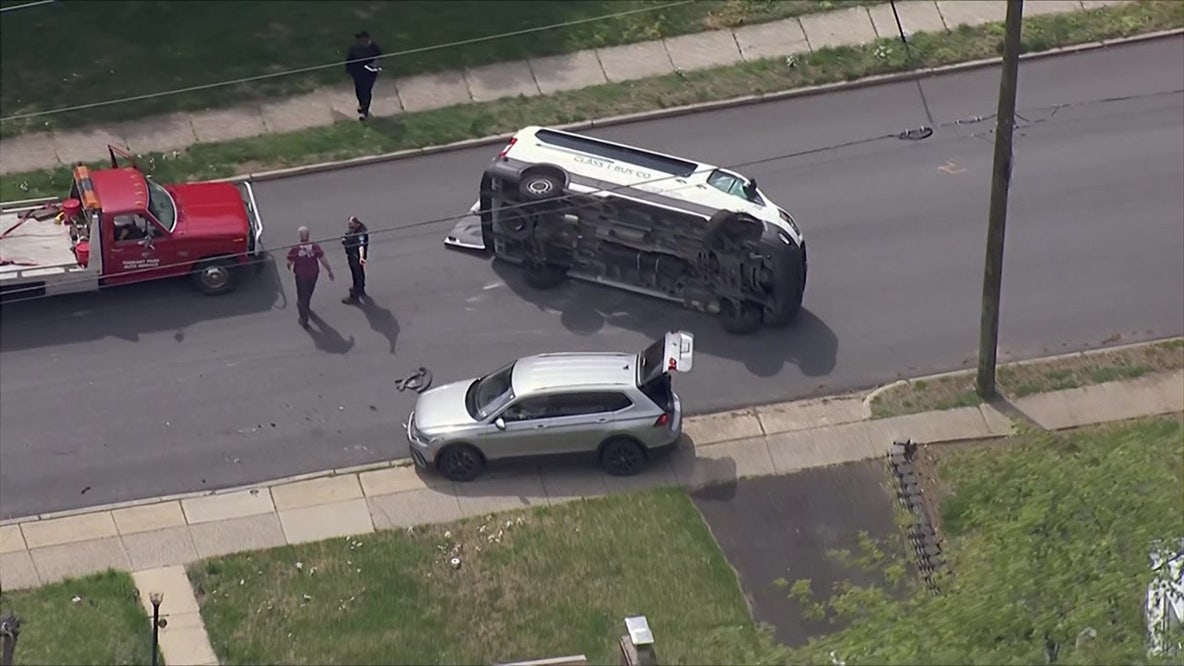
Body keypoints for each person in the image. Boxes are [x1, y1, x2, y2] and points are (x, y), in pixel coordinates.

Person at [287, 226, 334, 328]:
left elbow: (289, 261)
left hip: (301, 276)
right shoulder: (314, 247)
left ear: (300, 236)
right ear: (308, 235)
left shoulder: (296, 248)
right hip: (313, 275)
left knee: (301, 296)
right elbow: (322, 259)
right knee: (308, 293)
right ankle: (305, 307)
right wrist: (329, 270)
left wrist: (289, 266)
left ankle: (303, 317)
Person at [344, 31, 382, 121]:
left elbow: (378, 59)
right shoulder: (355, 48)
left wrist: (376, 67)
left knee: (366, 91)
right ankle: (361, 104)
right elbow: (349, 60)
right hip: (357, 73)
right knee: (359, 90)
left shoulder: (373, 48)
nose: (360, 41)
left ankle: (365, 111)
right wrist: (348, 71)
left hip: (369, 74)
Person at [341, 215, 370, 304]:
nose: (350, 228)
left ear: (357, 224)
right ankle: (360, 289)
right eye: (349, 226)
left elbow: (361, 246)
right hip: (352, 255)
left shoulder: (360, 234)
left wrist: (361, 257)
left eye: (352, 226)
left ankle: (355, 295)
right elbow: (349, 234)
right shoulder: (355, 230)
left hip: (356, 257)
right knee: (359, 273)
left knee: (357, 274)